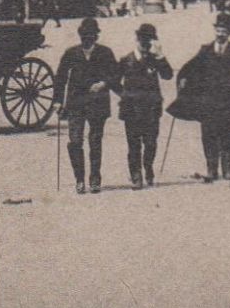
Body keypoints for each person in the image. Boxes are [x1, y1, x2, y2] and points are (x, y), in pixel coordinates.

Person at [177, 14, 230, 183]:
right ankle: (211, 169)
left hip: (229, 101)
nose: (220, 33)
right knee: (209, 135)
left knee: (228, 135)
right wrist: (183, 79)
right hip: (208, 101)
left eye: (224, 31)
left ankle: (228, 169)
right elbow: (190, 68)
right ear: (215, 30)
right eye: (218, 30)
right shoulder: (205, 50)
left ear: (229, 32)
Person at [57, 17, 117, 195]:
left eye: (90, 36)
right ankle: (79, 179)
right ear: (80, 35)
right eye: (84, 36)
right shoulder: (71, 53)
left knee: (95, 141)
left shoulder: (106, 53)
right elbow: (60, 77)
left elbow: (115, 75)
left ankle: (95, 178)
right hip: (75, 102)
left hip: (98, 103)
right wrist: (57, 101)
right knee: (75, 141)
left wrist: (104, 83)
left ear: (96, 36)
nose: (87, 39)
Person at [118, 23, 172, 190]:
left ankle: (148, 167)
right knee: (133, 144)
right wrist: (125, 95)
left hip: (151, 108)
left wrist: (161, 56)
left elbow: (168, 75)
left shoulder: (155, 60)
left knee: (151, 143)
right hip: (131, 109)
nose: (145, 44)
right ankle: (136, 175)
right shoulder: (125, 60)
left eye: (149, 41)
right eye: (143, 40)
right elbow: (113, 80)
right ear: (137, 39)